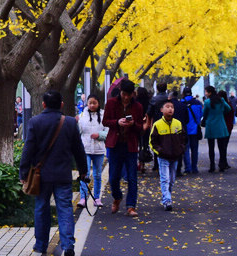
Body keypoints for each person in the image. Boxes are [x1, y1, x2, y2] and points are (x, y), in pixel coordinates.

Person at [19, 90, 87, 256]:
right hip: (63, 174)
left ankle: (41, 245)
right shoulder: (70, 123)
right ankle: (68, 245)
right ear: (62, 104)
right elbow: (79, 150)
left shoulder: (35, 122)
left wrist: (23, 172)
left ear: (43, 104)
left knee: (41, 208)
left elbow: (28, 150)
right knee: (64, 208)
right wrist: (83, 171)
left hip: (40, 175)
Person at [103, 79, 145, 217]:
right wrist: (117, 122)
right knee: (114, 177)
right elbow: (105, 121)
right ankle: (117, 197)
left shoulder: (138, 107)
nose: (126, 97)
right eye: (123, 94)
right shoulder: (111, 103)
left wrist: (133, 124)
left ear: (133, 93)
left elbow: (141, 128)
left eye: (128, 94)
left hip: (131, 145)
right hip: (115, 144)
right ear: (120, 92)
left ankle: (131, 206)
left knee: (132, 177)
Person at [150, 100, 186, 211]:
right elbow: (152, 142)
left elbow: (183, 139)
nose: (170, 109)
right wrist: (160, 152)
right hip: (163, 157)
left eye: (172, 107)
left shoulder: (178, 123)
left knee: (171, 180)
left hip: (175, 156)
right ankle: (167, 200)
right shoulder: (157, 124)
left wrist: (180, 150)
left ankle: (166, 196)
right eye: (167, 107)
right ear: (162, 110)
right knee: (165, 179)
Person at [77, 94, 107, 207]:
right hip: (85, 149)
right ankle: (83, 198)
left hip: (99, 150)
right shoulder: (82, 115)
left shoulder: (103, 115)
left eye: (94, 103)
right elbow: (78, 132)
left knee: (98, 175)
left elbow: (108, 132)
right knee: (85, 174)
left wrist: (99, 135)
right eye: (90, 103)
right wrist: (76, 123)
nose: (92, 105)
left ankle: (97, 198)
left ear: (98, 103)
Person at [201, 85, 231, 172]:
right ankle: (222, 165)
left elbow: (204, 113)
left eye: (206, 92)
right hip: (221, 125)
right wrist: (221, 114)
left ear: (209, 93)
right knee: (222, 147)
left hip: (211, 125)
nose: (205, 93)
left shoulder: (207, 102)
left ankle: (212, 166)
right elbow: (228, 108)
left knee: (211, 147)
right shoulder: (221, 100)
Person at [182, 88, 203, 174]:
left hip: (185, 129)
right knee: (195, 150)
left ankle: (187, 168)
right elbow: (201, 114)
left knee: (185, 149)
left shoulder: (182, 103)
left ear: (183, 93)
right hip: (195, 129)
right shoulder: (197, 103)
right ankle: (194, 168)